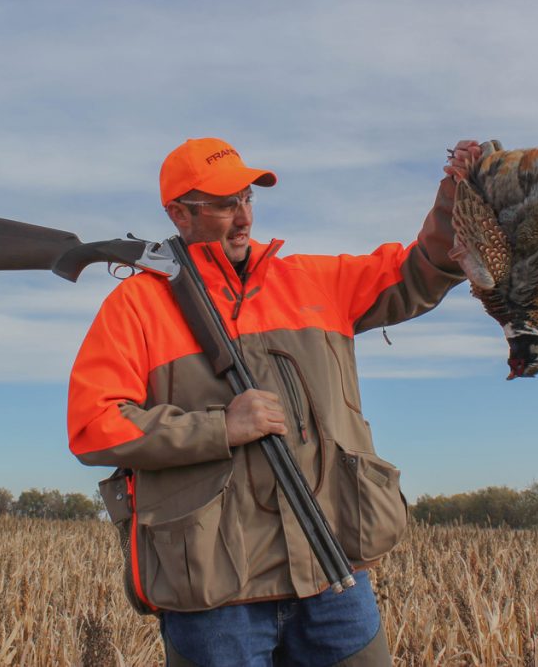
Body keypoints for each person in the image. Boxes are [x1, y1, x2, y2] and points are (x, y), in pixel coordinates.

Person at [68, 136, 479, 666]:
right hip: (216, 589)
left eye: (247, 199)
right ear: (177, 213)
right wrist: (219, 427)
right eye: (223, 204)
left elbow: (423, 268)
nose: (243, 219)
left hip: (332, 568)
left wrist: (457, 194)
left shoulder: (312, 279)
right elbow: (93, 423)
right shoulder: (136, 305)